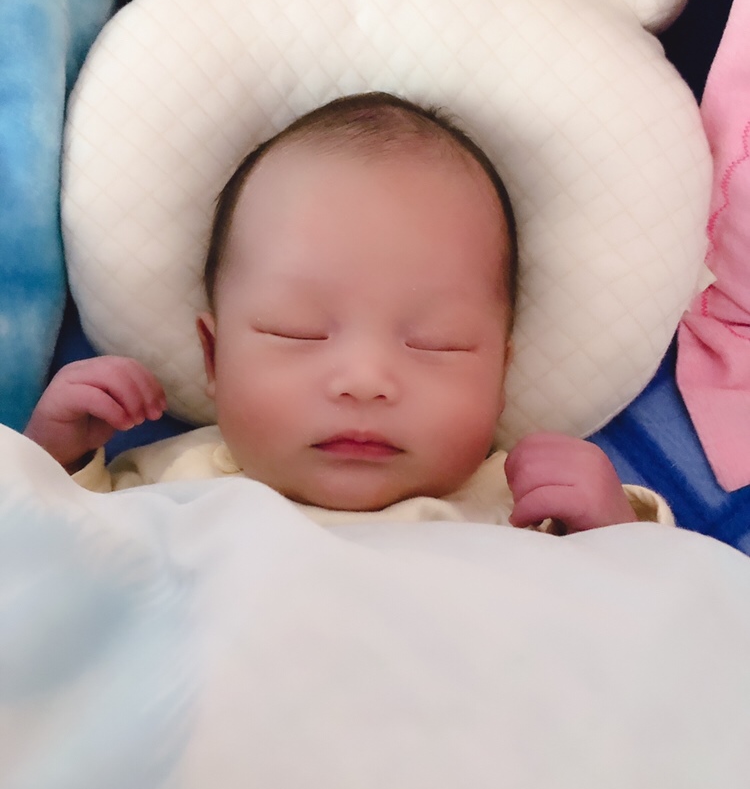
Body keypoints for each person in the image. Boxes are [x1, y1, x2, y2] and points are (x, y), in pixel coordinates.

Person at [25, 93, 670, 532]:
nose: (364, 380)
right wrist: (52, 460)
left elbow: (653, 624)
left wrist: (612, 532)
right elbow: (46, 564)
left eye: (437, 342)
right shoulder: (172, 482)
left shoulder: (523, 505)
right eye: (296, 331)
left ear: (500, 375)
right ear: (214, 357)